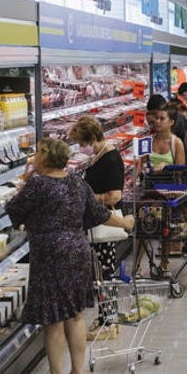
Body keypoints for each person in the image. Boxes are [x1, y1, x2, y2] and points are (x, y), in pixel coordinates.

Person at [4, 138, 135, 374]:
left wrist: (28, 176)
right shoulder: (77, 182)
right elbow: (99, 214)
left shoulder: (38, 184)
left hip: (50, 254)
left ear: (44, 157)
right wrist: (126, 223)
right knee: (75, 315)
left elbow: (14, 212)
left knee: (53, 320)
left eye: (37, 153)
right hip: (78, 251)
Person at [68, 115, 127, 294]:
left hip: (104, 221)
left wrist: (90, 198)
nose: (81, 148)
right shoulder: (98, 156)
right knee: (99, 266)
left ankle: (108, 309)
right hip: (95, 221)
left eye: (82, 143)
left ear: (92, 139)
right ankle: (104, 302)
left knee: (105, 268)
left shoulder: (110, 159)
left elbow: (115, 196)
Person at [136, 95, 187, 277]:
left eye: (161, 119)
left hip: (169, 192)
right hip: (149, 190)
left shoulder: (176, 143)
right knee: (142, 228)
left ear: (171, 122)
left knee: (165, 229)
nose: (157, 122)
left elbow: (181, 170)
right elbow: (140, 165)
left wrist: (166, 167)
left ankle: (164, 263)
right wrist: (142, 169)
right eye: (156, 118)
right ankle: (137, 267)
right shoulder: (147, 141)